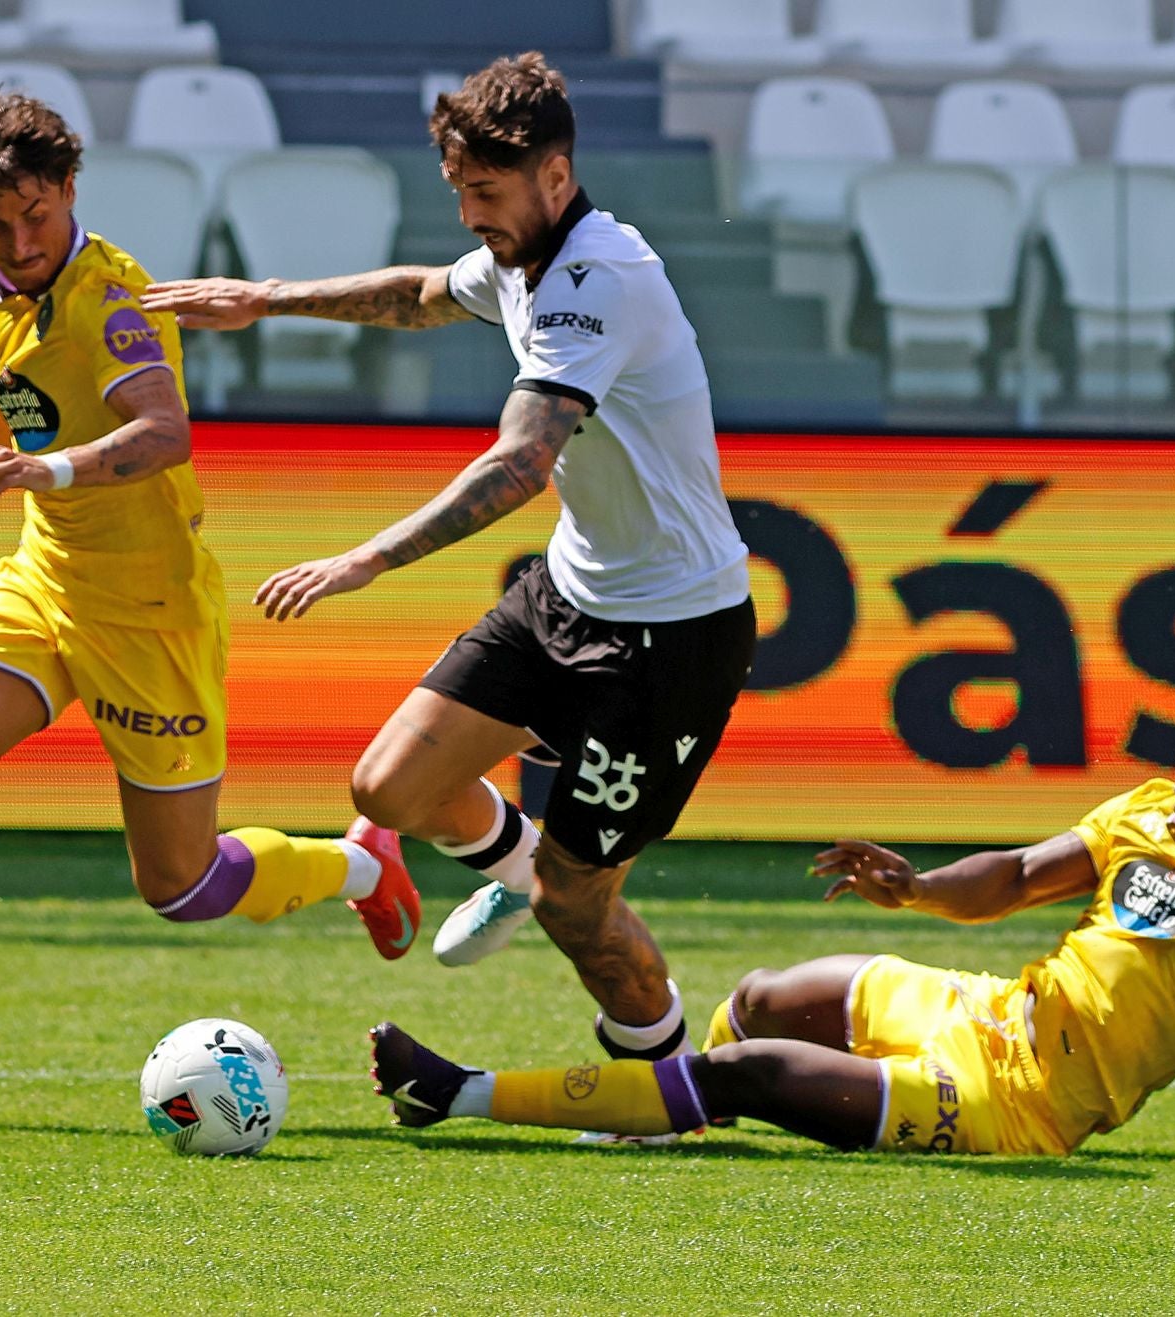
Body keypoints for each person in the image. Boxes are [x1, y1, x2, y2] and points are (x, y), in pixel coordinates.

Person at [0, 93, 417, 1114]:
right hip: (44, 575)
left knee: (184, 888)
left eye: (37, 216)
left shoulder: (113, 301)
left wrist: (56, 471)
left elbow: (164, 433)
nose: (19, 241)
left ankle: (358, 867)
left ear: (71, 190)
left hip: (148, 605)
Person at [143, 52, 757, 1081]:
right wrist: (267, 297)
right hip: (571, 592)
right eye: (460, 191)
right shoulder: (522, 259)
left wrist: (366, 559)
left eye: (486, 192)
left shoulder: (595, 280)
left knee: (580, 910)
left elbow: (522, 462)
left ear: (555, 179)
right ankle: (520, 864)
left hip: (672, 640)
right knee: (387, 787)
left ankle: (662, 1077)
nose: (472, 213)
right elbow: (420, 294)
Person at [370, 685, 1175, 1176]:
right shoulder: (1145, 809)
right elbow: (1011, 880)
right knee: (771, 995)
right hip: (987, 1014)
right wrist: (916, 890)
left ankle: (456, 1094)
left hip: (1021, 1102)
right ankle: (657, 1108)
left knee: (757, 1073)